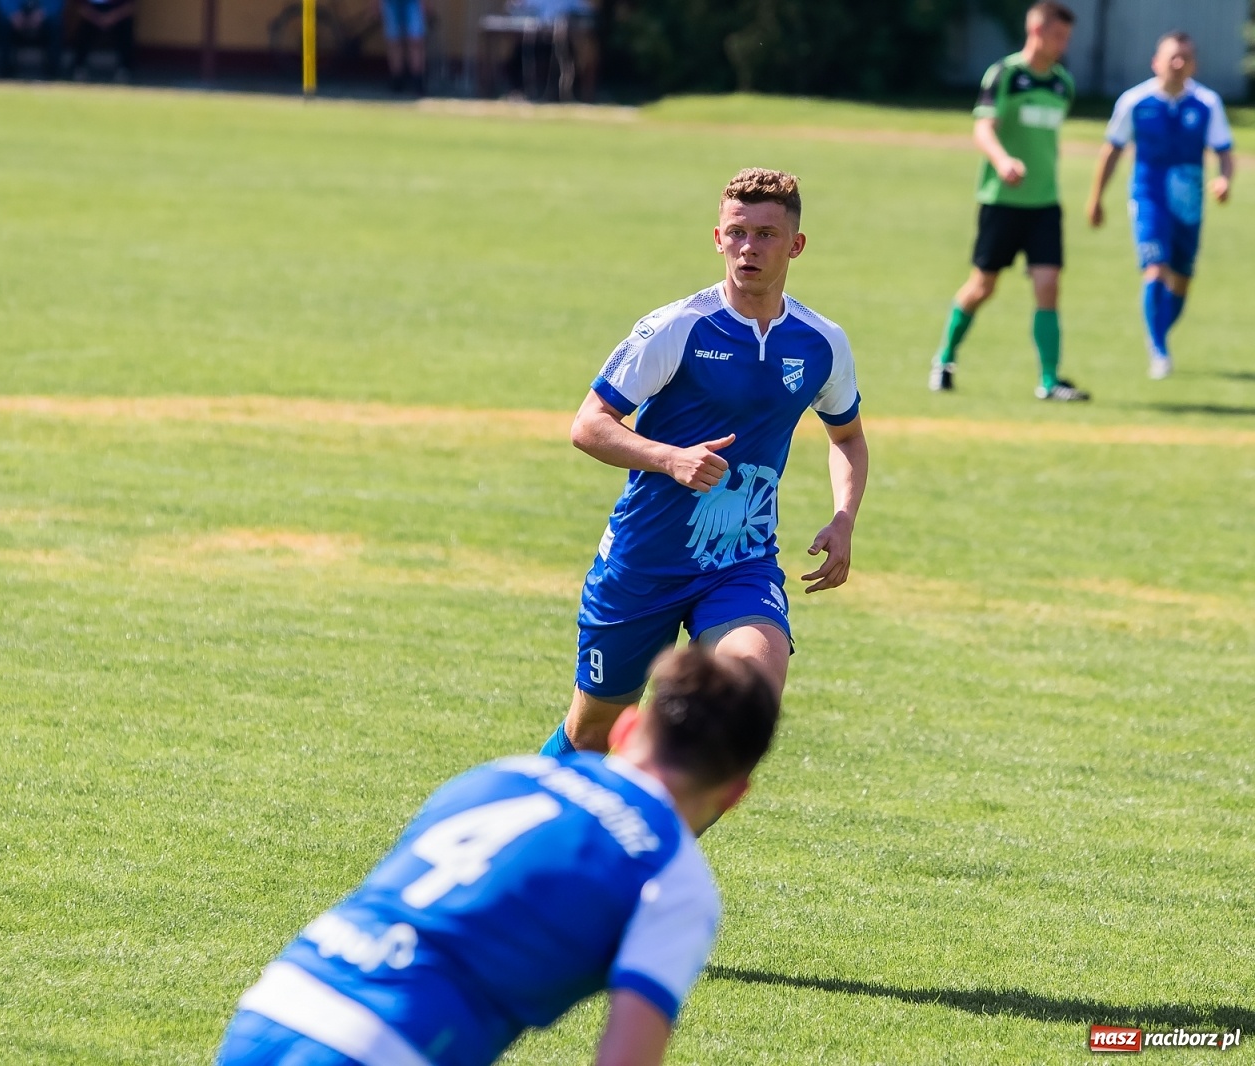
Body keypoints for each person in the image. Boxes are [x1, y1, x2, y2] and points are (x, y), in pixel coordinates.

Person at [217, 644, 780, 1066]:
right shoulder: (674, 877)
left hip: (278, 999)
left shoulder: (505, 775)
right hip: (394, 1040)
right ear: (735, 795)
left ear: (625, 727)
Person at [537, 167, 867, 758]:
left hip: (739, 562)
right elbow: (588, 425)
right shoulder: (677, 328)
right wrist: (669, 459)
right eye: (737, 232)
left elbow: (847, 437)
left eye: (766, 234)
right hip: (645, 562)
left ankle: (669, 815)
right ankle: (536, 806)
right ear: (718, 239)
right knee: (592, 738)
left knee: (744, 703)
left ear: (795, 245)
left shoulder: (821, 342)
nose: (748, 247)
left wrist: (844, 518)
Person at [929, 2, 1089, 402]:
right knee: (983, 286)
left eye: (1067, 37)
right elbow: (983, 128)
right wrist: (1002, 161)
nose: (1064, 44)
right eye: (1058, 35)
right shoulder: (1005, 75)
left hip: (1045, 203)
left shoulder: (1062, 84)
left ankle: (1049, 381)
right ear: (1036, 30)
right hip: (1002, 201)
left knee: (1048, 285)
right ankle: (944, 359)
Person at [1086, 32, 1235, 380]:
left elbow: (1224, 151)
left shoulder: (1207, 103)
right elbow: (1112, 150)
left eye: (1186, 58)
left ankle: (1158, 333)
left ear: (1194, 65)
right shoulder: (1134, 101)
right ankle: (1159, 350)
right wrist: (1096, 198)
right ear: (1156, 62)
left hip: (1188, 202)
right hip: (1148, 197)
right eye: (1173, 57)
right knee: (1154, 269)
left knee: (1181, 280)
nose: (1179, 63)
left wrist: (1224, 179)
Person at [0, 0, 65, 80]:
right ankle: (4, 71)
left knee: (55, 24)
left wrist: (43, 14)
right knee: (3, 23)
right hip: (17, 16)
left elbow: (57, 4)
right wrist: (12, 13)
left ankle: (54, 72)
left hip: (43, 17)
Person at [71, 0, 136, 83]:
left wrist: (111, 18)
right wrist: (97, 18)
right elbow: (80, 7)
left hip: (117, 15)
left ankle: (125, 69)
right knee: (84, 30)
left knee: (126, 29)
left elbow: (130, 6)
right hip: (93, 15)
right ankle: (79, 67)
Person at [381, 0, 426, 96]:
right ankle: (397, 81)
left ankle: (418, 81)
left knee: (415, 41)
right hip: (390, 3)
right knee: (394, 41)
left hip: (413, 2)